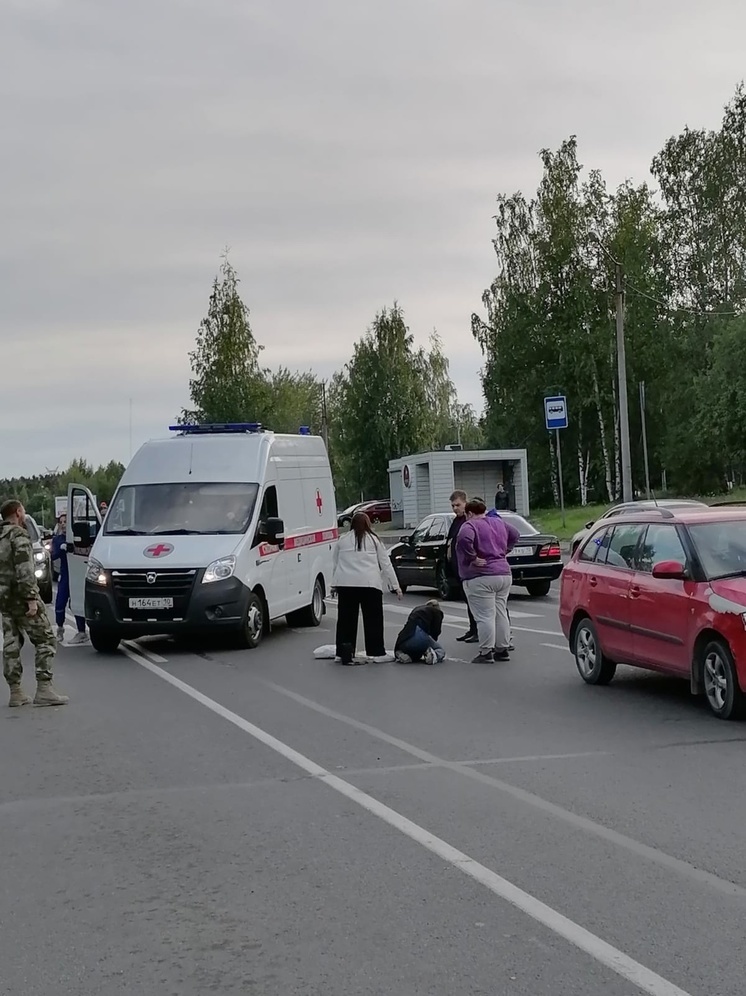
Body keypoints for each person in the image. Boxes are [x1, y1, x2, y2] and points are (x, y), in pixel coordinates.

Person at [0, 499, 69, 706]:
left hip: (4, 598)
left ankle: (16, 692)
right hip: (22, 596)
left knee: (11, 643)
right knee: (46, 640)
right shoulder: (18, 535)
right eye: (23, 510)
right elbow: (24, 569)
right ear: (18, 513)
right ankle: (44, 688)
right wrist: (31, 598)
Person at [331, 511, 402, 665]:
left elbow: (335, 563)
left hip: (346, 585)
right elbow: (386, 564)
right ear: (367, 524)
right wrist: (396, 586)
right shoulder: (374, 540)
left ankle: (343, 652)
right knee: (373, 619)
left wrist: (333, 585)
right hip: (370, 585)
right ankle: (376, 652)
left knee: (345, 620)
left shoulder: (342, 540)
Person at [456, 497, 520, 663]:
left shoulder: (469, 525)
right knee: (500, 613)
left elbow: (464, 539)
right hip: (504, 573)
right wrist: (505, 550)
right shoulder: (497, 522)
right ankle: (502, 649)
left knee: (485, 616)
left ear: (469, 513)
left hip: (481, 575)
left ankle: (486, 651)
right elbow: (515, 534)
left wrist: (472, 558)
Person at [445, 490, 478, 643]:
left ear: (465, 503)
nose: (455, 508)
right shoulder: (456, 521)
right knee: (467, 600)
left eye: (458, 505)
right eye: (453, 506)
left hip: (469, 568)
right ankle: (472, 629)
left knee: (475, 601)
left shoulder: (469, 520)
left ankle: (478, 630)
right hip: (458, 568)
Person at [51, 514, 88, 645]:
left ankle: (82, 631)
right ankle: (60, 629)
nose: (63, 524)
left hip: (77, 573)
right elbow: (53, 555)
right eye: (61, 522)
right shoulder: (58, 539)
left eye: (66, 521)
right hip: (65, 573)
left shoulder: (77, 538)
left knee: (76, 602)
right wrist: (62, 549)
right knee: (60, 602)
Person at [394, 599, 445, 664]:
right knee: (440, 649)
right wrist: (431, 645)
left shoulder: (417, 609)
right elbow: (436, 631)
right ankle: (433, 656)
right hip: (420, 636)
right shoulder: (437, 612)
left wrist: (397, 647)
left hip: (404, 639)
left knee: (415, 651)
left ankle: (403, 654)